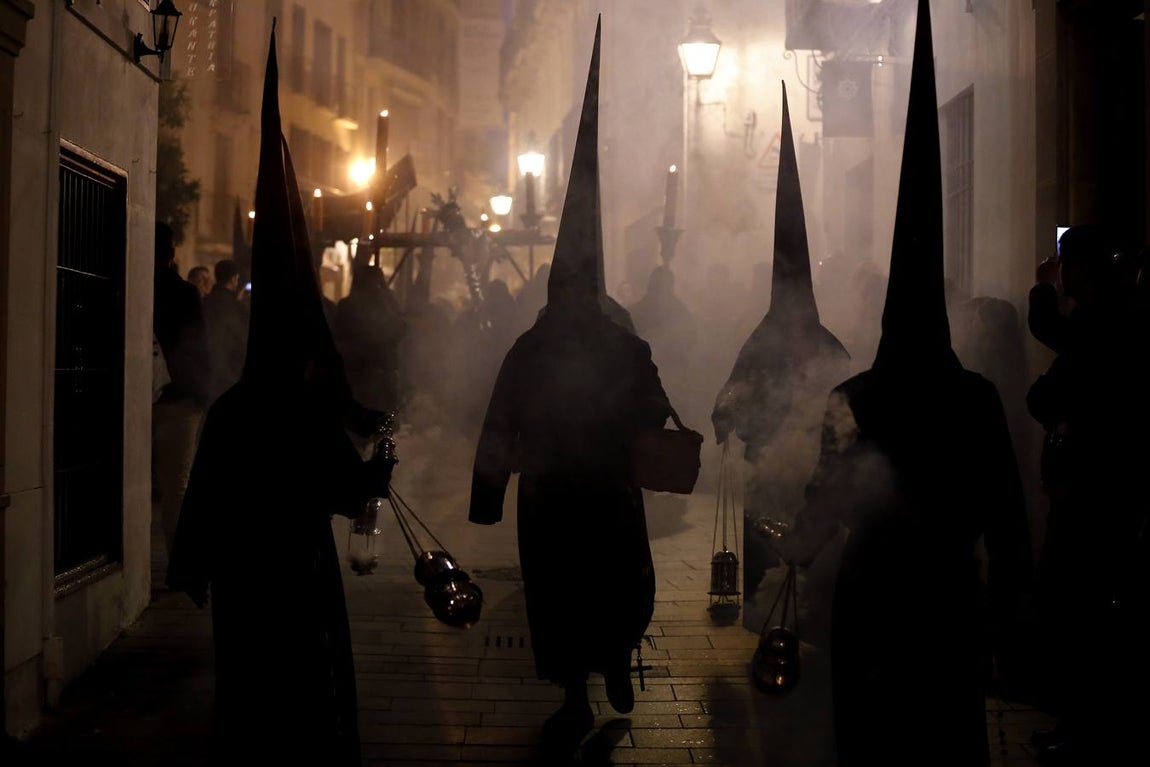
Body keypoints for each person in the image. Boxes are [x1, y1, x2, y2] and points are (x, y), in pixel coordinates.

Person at [777, 5, 1031, 764]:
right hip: (948, 599)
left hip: (876, 597)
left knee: (874, 739)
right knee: (944, 739)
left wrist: (795, 546)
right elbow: (1008, 519)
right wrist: (1014, 613)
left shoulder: (856, 395)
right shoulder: (975, 397)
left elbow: (826, 501)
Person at [167, 28, 389, 766]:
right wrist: (377, 466)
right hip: (294, 574)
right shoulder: (298, 412)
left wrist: (191, 563)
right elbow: (344, 486)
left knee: (248, 693)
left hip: (239, 577)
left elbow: (204, 491)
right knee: (304, 695)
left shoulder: (235, 408)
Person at [469, 20, 672, 753]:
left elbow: (499, 418)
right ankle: (612, 659)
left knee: (559, 595)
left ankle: (580, 690)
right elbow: (653, 405)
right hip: (606, 488)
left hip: (554, 495)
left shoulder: (531, 344)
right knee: (609, 584)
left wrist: (488, 495)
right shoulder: (623, 343)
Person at [711, 83, 850, 640]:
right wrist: (725, 413)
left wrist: (725, 414)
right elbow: (734, 390)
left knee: (795, 543)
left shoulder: (800, 340)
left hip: (803, 468)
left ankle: (781, 619)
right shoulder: (800, 339)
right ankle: (771, 619)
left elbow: (845, 399)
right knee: (770, 546)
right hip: (773, 461)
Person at [1025, 224, 1147, 765]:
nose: (1060, 271)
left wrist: (1041, 290)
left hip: (1093, 492)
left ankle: (1089, 730)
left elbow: (1054, 340)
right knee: (1079, 611)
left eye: (1064, 264)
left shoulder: (1104, 320)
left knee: (1082, 611)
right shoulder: (1104, 319)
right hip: (1089, 488)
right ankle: (1082, 726)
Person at [152, 220, 210, 554]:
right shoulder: (185, 294)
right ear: (173, 253)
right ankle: (179, 559)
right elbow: (199, 346)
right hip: (180, 398)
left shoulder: (132, 284)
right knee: (176, 485)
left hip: (138, 397)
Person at [332, 254, 407, 416]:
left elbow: (400, 330)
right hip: (359, 374)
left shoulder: (386, 303)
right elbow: (341, 340)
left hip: (383, 373)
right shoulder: (349, 306)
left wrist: (385, 301)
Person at [202, 258, 249, 403]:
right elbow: (243, 339)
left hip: (206, 372)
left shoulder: (205, 302)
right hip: (231, 373)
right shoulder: (236, 307)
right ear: (234, 278)